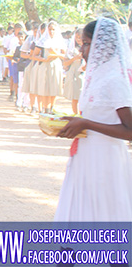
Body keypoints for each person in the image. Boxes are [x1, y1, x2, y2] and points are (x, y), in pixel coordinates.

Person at [56, 18, 132, 221]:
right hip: (87, 156)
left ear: (104, 45)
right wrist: (76, 120)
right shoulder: (96, 76)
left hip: (106, 160)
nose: (83, 50)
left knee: (102, 214)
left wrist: (87, 124)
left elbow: (129, 130)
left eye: (88, 44)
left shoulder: (115, 80)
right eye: (82, 44)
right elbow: (98, 113)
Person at [62, 29, 84, 115]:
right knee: (75, 96)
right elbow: (65, 63)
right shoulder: (72, 49)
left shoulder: (88, 47)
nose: (79, 40)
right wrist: (75, 58)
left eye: (80, 38)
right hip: (75, 73)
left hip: (85, 74)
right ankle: (75, 115)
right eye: (77, 37)